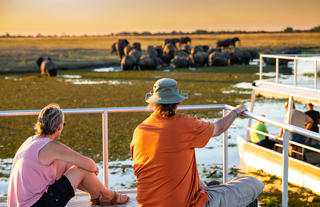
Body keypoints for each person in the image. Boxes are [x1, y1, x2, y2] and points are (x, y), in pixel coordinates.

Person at [130, 78, 264, 207]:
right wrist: (235, 112)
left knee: (209, 185)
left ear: (153, 103)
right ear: (178, 102)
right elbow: (219, 128)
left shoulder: (140, 130)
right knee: (253, 183)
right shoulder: (185, 124)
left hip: (146, 204)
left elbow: (160, 167)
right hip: (187, 204)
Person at [7, 104, 129, 207]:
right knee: (81, 168)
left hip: (20, 204)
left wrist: (87, 172)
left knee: (66, 165)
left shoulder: (30, 141)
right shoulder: (52, 147)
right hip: (37, 204)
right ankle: (108, 195)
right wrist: (89, 169)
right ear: (59, 127)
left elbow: (66, 167)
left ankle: (99, 196)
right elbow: (90, 165)